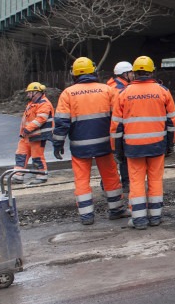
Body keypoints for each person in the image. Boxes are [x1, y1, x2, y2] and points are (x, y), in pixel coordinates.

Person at [52, 56, 127, 225]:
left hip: (80, 146)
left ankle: (87, 216)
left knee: (81, 180)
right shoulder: (107, 90)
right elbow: (118, 117)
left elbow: (61, 122)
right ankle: (116, 209)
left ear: (74, 74)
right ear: (93, 71)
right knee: (110, 176)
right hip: (105, 144)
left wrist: (58, 143)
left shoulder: (68, 93)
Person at [111, 56, 175, 229]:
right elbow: (172, 122)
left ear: (134, 73)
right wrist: (170, 144)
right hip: (157, 145)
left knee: (136, 181)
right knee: (155, 180)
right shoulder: (162, 91)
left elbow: (116, 126)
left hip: (133, 148)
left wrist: (117, 150)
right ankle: (155, 217)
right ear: (152, 71)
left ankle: (139, 219)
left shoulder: (124, 93)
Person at [12, 82, 53, 184]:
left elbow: (41, 119)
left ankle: (41, 175)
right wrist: (24, 132)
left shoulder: (44, 104)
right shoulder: (32, 104)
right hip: (27, 135)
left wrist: (27, 129)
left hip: (38, 136)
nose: (28, 95)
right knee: (20, 154)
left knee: (37, 156)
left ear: (36, 92)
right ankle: (18, 175)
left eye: (30, 92)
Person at [106, 60, 134, 194]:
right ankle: (125, 182)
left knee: (117, 157)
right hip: (118, 127)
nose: (133, 75)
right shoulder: (118, 89)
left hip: (114, 126)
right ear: (124, 74)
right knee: (121, 156)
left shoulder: (113, 86)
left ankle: (108, 184)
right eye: (131, 72)